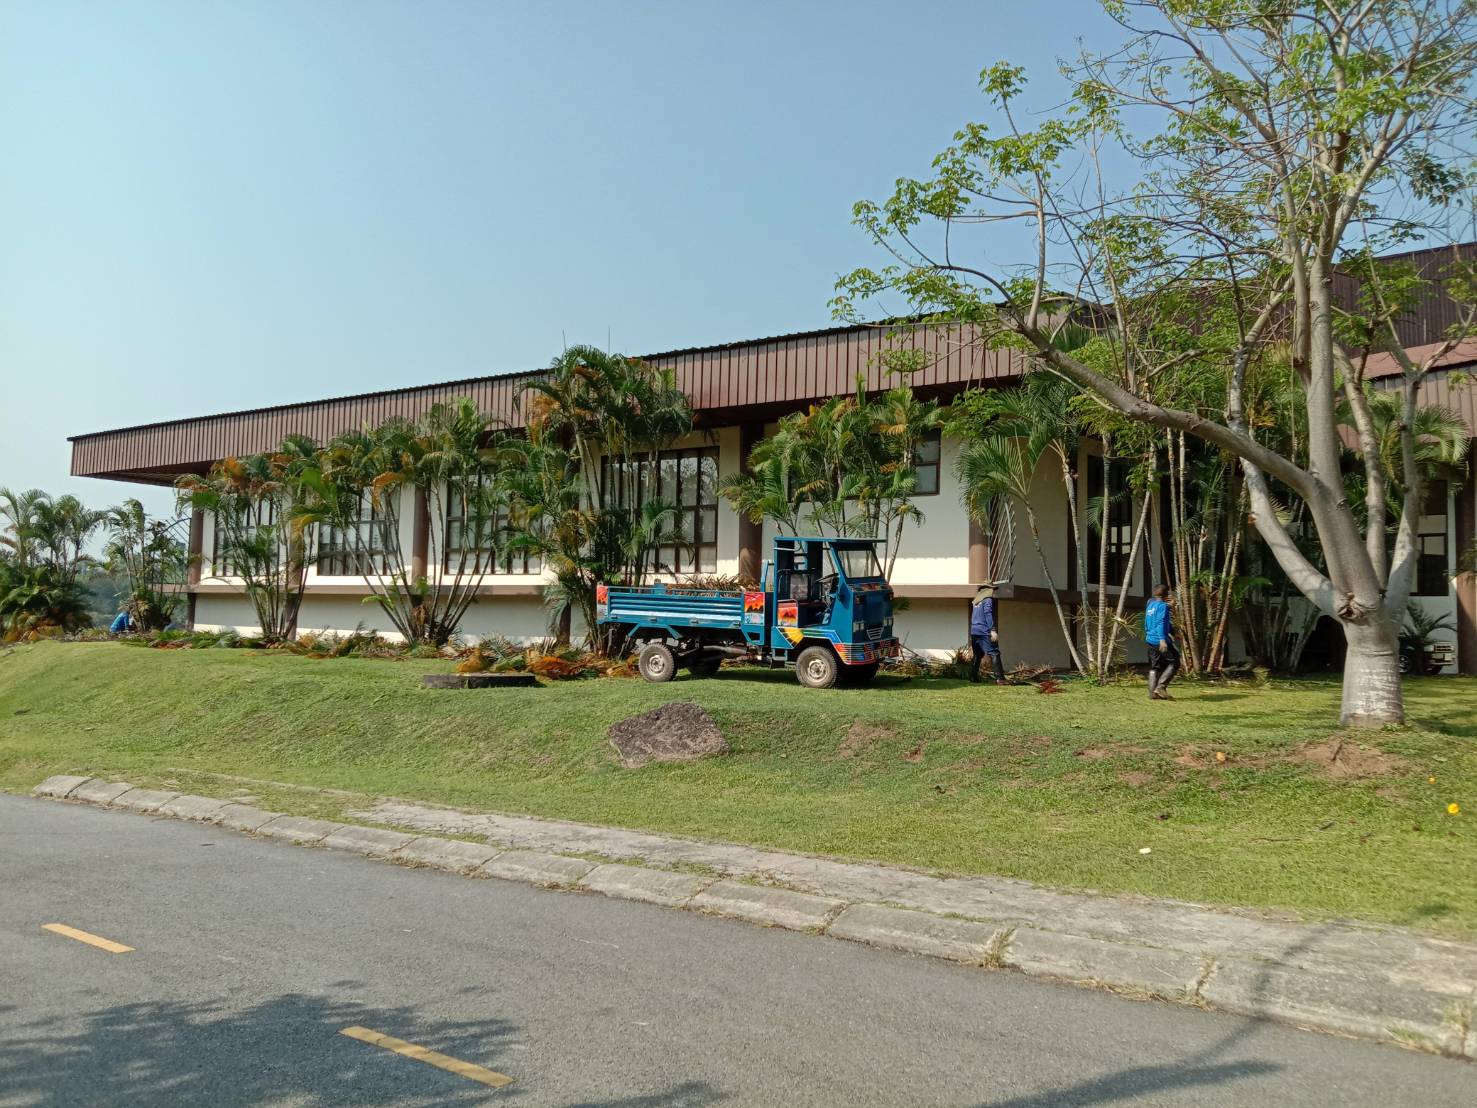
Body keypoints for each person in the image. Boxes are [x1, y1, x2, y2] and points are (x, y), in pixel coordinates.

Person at [1145, 584, 1179, 700]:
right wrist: (1162, 640)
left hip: (1150, 639)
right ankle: (1161, 687)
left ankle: (1152, 693)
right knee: (1175, 662)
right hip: (1160, 640)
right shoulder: (1163, 607)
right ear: (1166, 595)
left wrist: (1173, 633)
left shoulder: (1150, 605)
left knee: (1156, 666)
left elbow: (1161, 621)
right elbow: (1160, 622)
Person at [969, 585, 1005, 685]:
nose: (993, 592)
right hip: (984, 631)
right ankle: (1000, 679)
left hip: (974, 631)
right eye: (993, 590)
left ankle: (973, 677)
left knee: (978, 654)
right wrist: (992, 630)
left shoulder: (976, 601)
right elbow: (988, 613)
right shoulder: (987, 599)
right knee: (994, 652)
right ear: (989, 590)